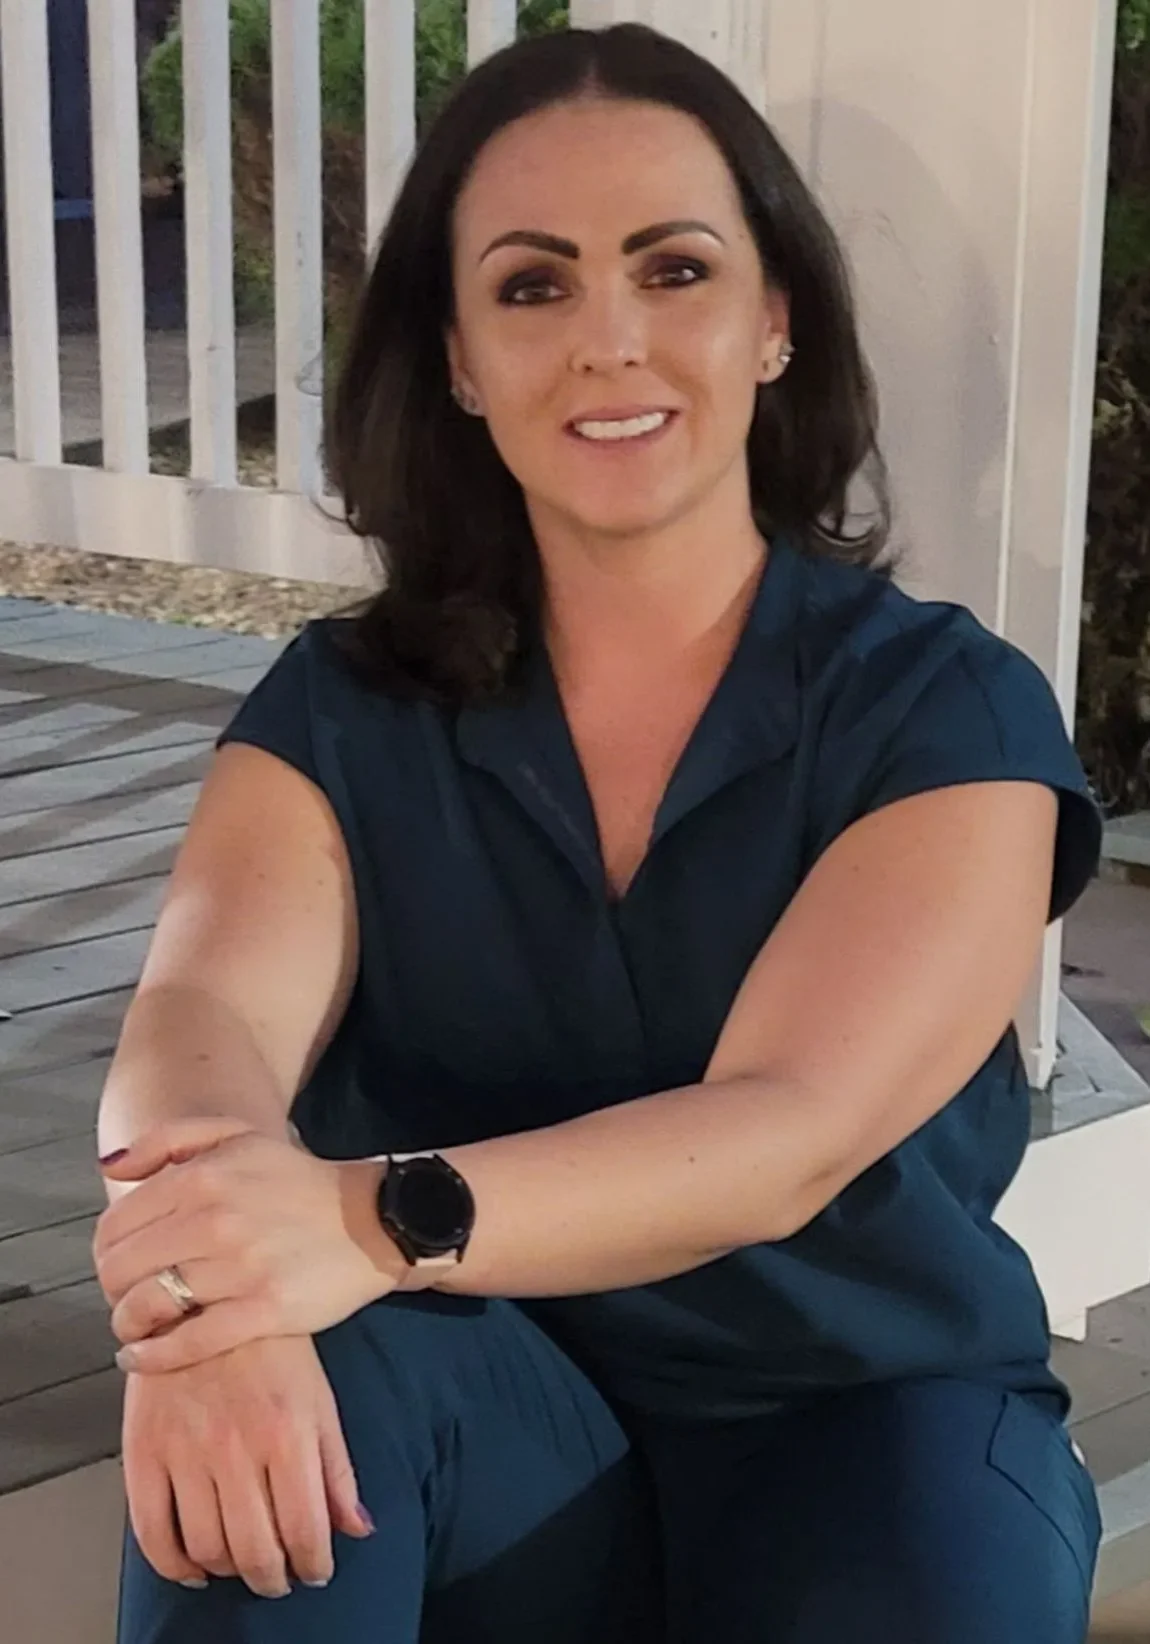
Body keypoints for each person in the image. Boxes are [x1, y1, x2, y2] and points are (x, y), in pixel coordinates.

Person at [95, 23, 1104, 1644]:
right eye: (532, 285)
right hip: (485, 1409)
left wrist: (358, 1222)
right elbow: (200, 1016)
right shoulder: (345, 708)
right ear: (454, 357)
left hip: (854, 1430)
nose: (608, 341)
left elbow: (789, 1133)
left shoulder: (942, 712)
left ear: (773, 321)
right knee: (268, 1438)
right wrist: (208, 1289)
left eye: (675, 269)